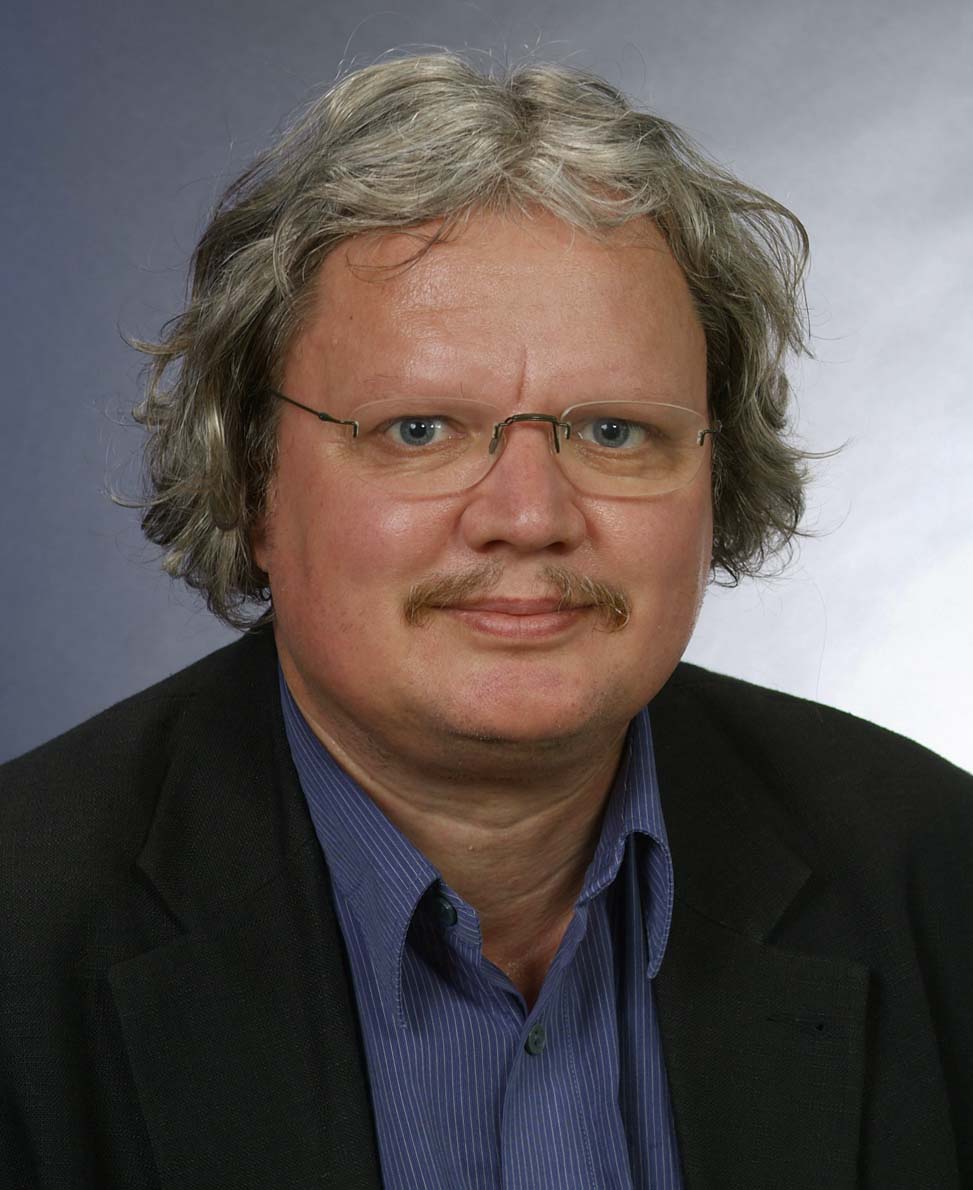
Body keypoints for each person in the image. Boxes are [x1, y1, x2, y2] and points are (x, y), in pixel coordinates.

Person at [1, 53, 970, 1190]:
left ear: (716, 476)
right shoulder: (24, 930)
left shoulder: (936, 873)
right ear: (252, 481)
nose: (528, 516)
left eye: (613, 431)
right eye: (418, 429)